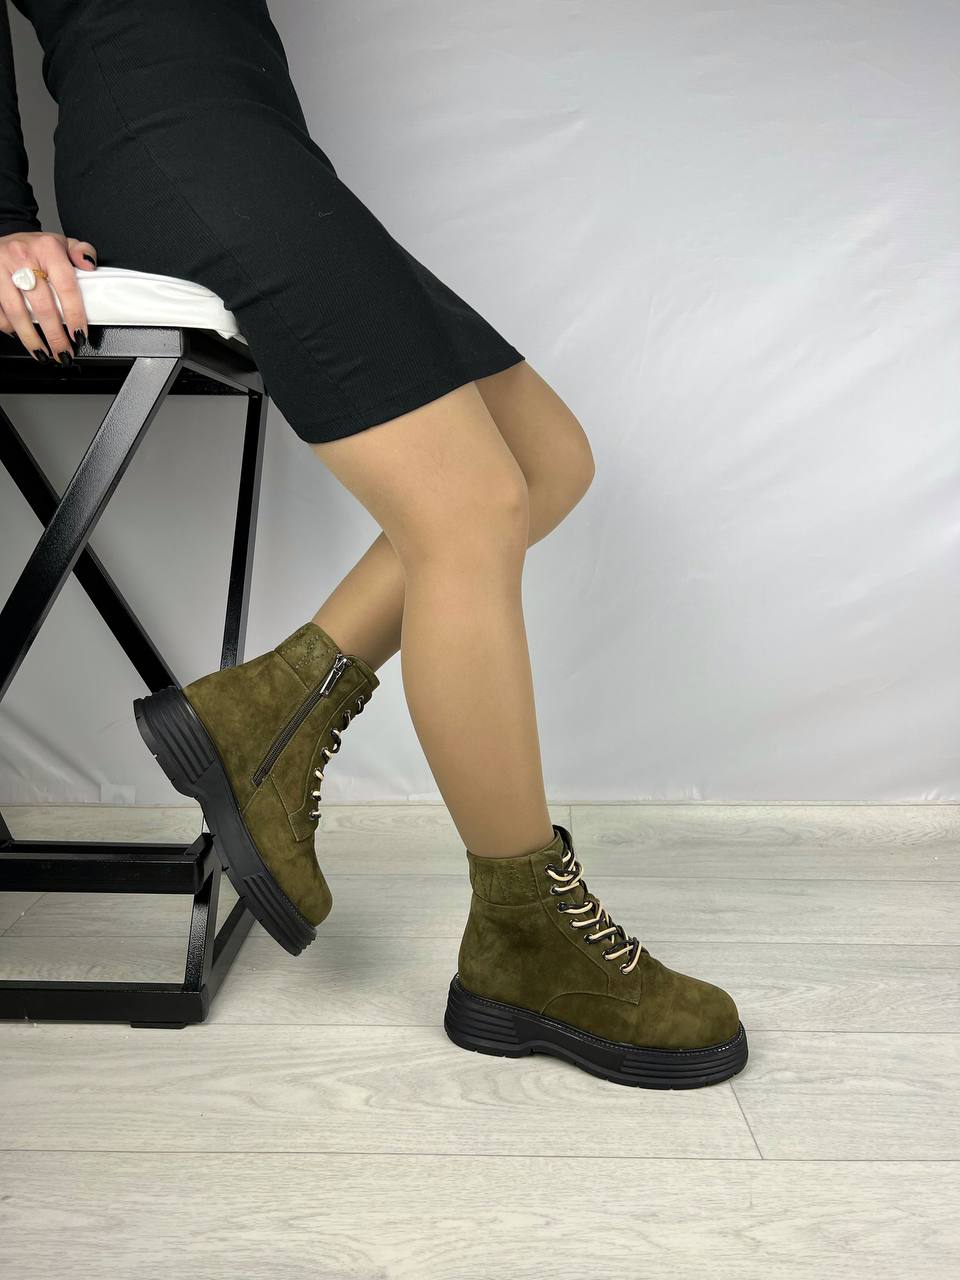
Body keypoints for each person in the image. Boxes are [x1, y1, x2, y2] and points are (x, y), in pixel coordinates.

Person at [1, 0, 747, 1087]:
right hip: (174, 145)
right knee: (468, 507)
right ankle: (525, 939)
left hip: (268, 155)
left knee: (547, 460)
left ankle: (267, 720)